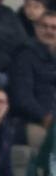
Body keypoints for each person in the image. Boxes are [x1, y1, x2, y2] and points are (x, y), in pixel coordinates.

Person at [9, 10, 56, 148]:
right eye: (44, 26)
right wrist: (45, 117)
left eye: (54, 27)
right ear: (36, 28)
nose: (49, 31)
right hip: (34, 122)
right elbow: (22, 98)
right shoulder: (24, 55)